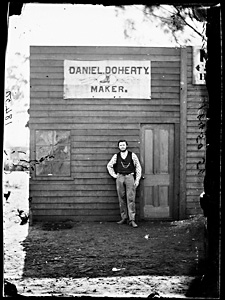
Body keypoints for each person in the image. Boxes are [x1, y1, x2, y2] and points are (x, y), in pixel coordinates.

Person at [107, 139, 142, 228]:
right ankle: (124, 217)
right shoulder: (116, 156)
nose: (122, 146)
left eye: (123, 145)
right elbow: (109, 165)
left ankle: (132, 220)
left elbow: (138, 167)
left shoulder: (132, 155)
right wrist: (115, 176)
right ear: (118, 147)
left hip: (130, 177)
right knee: (121, 198)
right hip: (120, 177)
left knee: (131, 198)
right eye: (120, 145)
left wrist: (137, 179)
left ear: (126, 145)